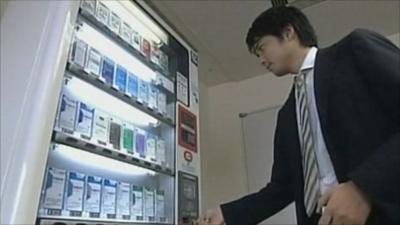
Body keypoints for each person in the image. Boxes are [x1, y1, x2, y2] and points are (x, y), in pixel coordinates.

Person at [198, 5, 400, 225]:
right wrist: (226, 214)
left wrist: (363, 187)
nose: (261, 60)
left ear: (288, 33)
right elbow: (282, 188)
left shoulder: (354, 50)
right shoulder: (288, 113)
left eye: (261, 47)